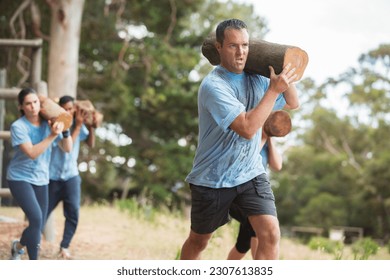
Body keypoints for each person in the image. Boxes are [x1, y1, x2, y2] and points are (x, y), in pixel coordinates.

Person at [180, 18, 299, 260]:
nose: (241, 52)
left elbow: (292, 103)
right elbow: (247, 128)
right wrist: (274, 90)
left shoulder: (256, 78)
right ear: (219, 48)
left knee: (270, 234)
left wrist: (286, 68)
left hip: (249, 173)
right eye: (233, 46)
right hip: (212, 178)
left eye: (245, 45)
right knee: (199, 241)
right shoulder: (213, 86)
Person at [7, 87, 72, 260]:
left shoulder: (48, 122)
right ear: (21, 107)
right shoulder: (18, 127)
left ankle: (18, 246)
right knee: (36, 219)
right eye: (28, 104)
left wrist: (64, 131)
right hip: (20, 178)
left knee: (38, 223)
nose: (33, 107)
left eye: (35, 102)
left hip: (42, 179)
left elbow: (67, 148)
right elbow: (32, 153)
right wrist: (52, 136)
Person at [46, 95, 95, 259]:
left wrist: (91, 125)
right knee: (42, 213)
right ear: (60, 109)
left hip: (71, 176)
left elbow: (91, 143)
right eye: (65, 108)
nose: (68, 111)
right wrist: (78, 126)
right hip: (52, 177)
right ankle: (28, 242)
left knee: (73, 213)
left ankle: (64, 246)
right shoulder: (56, 126)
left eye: (70, 108)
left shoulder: (77, 124)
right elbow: (68, 146)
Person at [227, 126, 285, 260]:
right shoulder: (251, 137)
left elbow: (277, 166)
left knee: (242, 245)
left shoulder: (267, 144)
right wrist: (262, 135)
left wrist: (270, 138)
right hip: (238, 191)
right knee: (259, 232)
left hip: (254, 193)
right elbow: (247, 158)